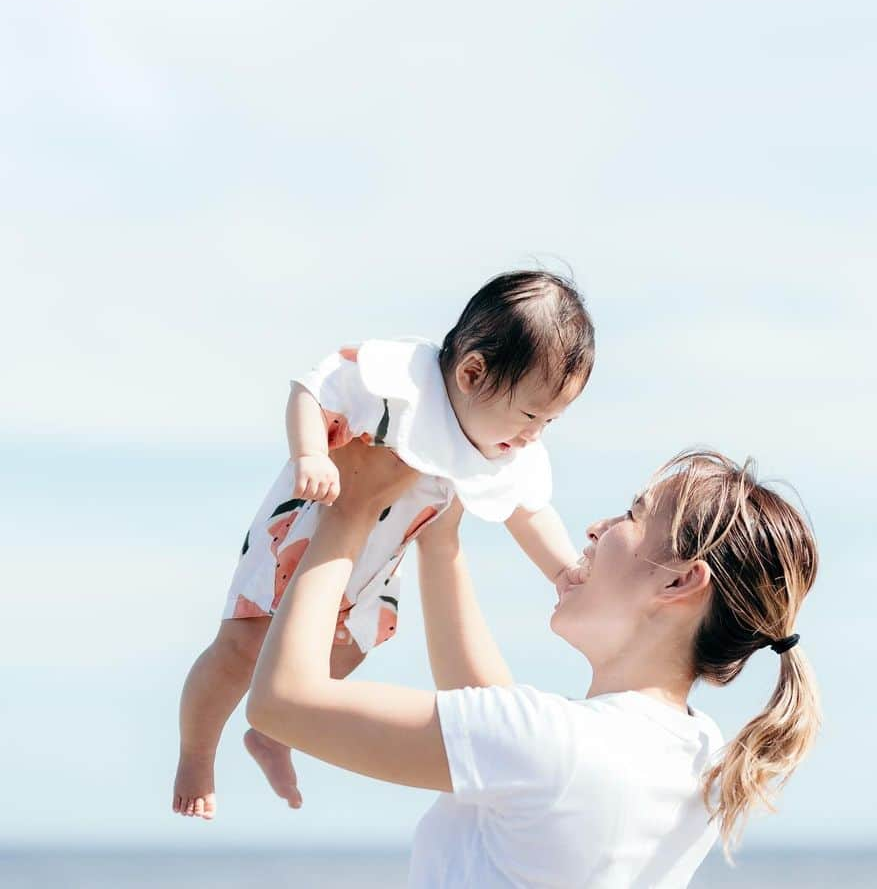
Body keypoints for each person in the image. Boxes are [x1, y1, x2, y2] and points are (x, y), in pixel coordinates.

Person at [247, 441, 822, 887]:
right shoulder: (693, 749)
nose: (597, 528)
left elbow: (281, 702)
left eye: (632, 514)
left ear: (679, 581)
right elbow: (504, 739)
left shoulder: (557, 745)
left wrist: (351, 512)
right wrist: (441, 543)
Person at [173, 271, 595, 819]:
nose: (535, 435)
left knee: (342, 656)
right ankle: (196, 754)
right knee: (239, 652)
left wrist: (562, 570)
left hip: (373, 567)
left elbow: (527, 509)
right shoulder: (398, 385)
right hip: (302, 531)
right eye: (532, 415)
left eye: (551, 421)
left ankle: (279, 735)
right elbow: (313, 388)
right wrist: (310, 455)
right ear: (472, 374)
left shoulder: (503, 444)